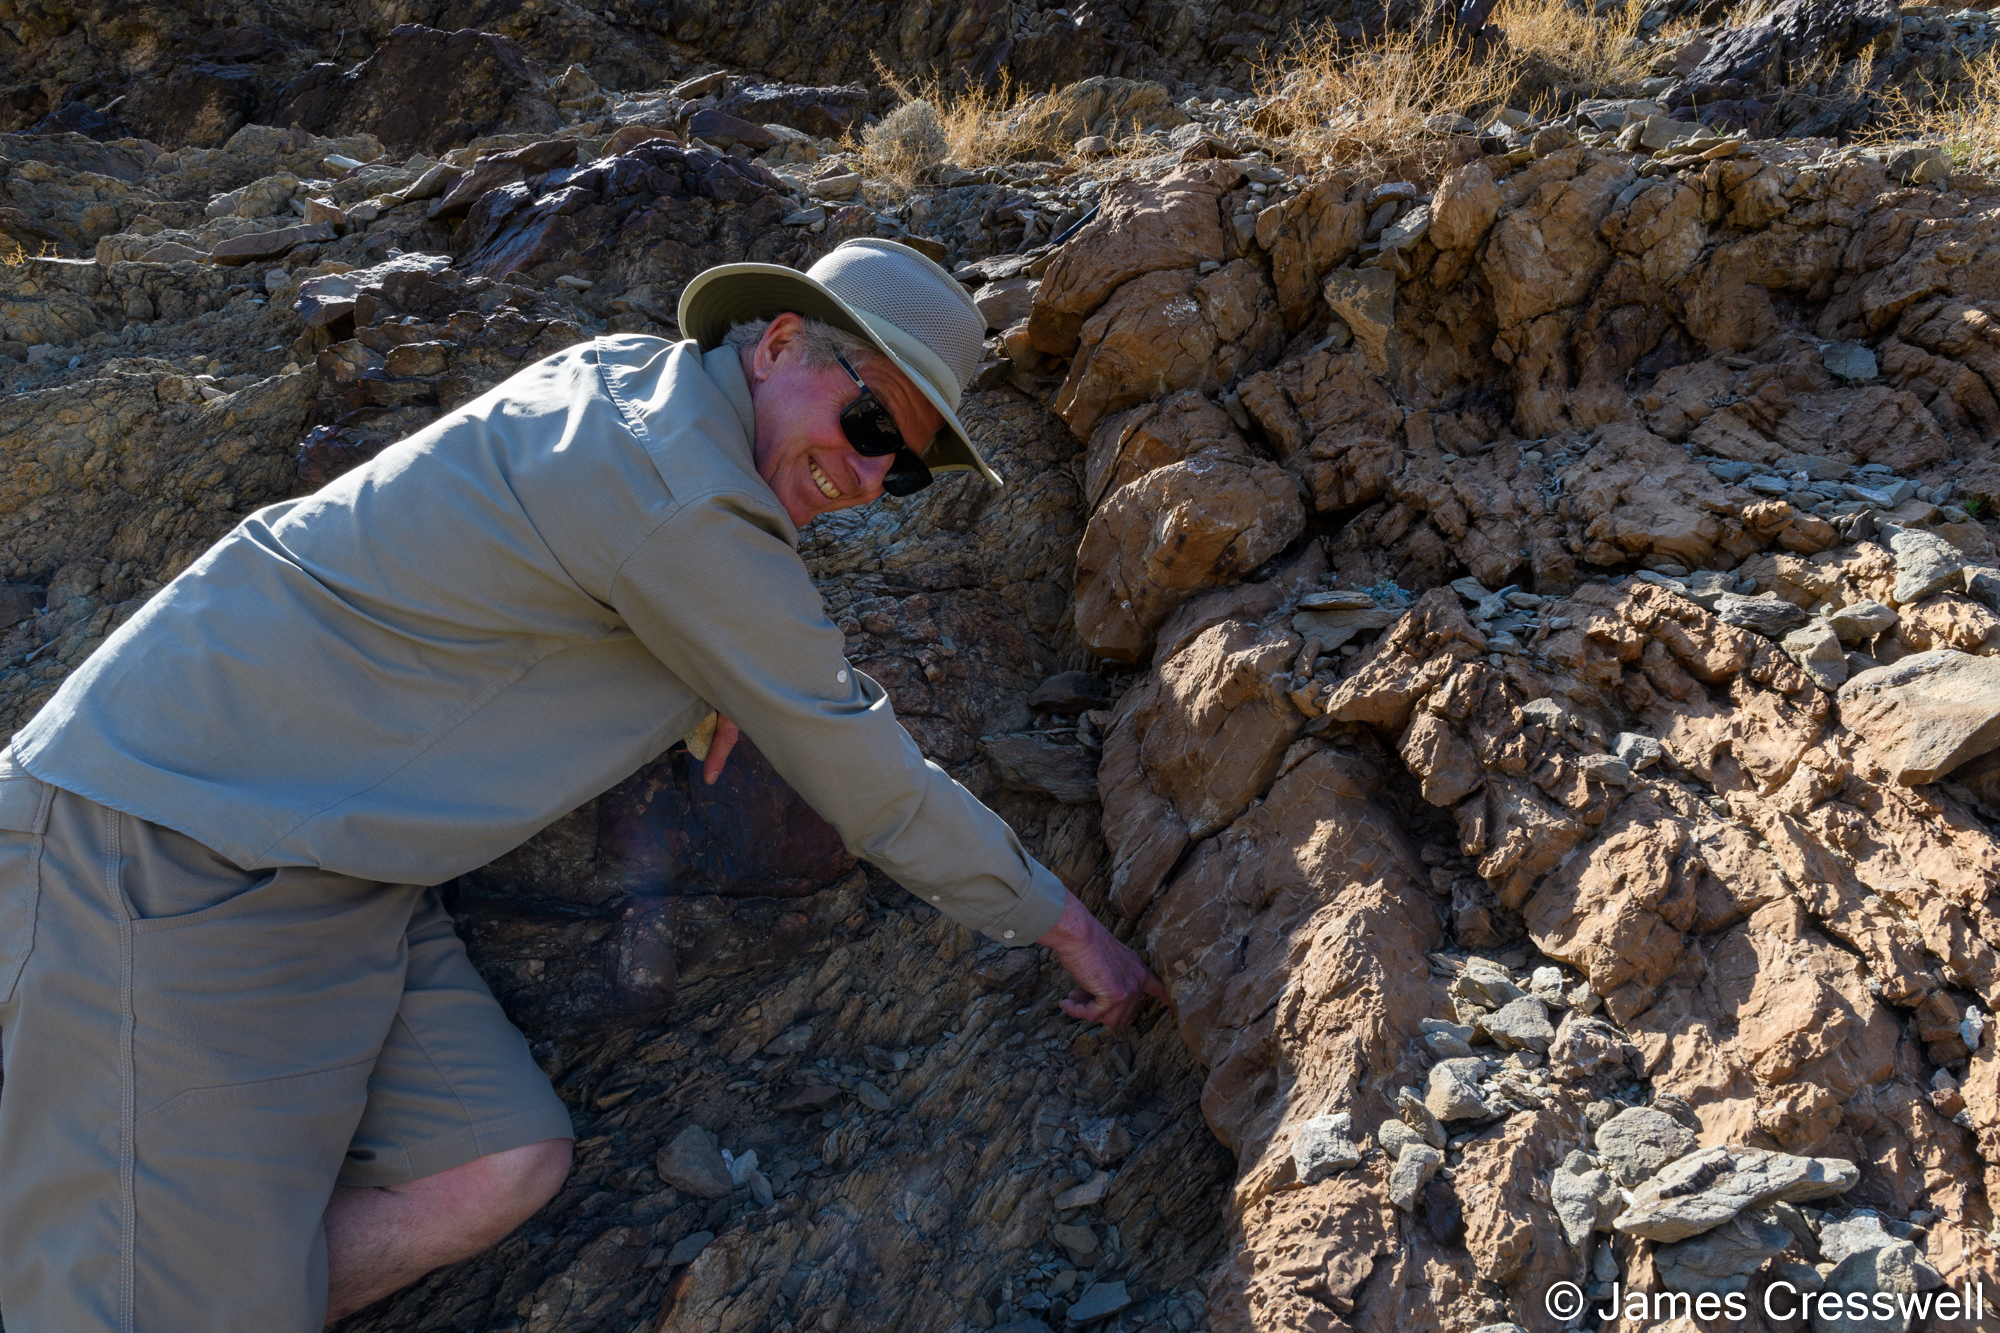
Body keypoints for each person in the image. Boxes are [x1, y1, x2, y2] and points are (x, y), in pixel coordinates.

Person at [0, 238, 1166, 1331]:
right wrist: (1065, 925)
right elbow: (866, 771)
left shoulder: (630, 384)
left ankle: (176, 1267)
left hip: (336, 873)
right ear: (772, 343)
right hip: (157, 846)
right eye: (864, 418)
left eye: (900, 466)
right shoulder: (687, 502)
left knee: (490, 1162)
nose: (865, 474)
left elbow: (587, 570)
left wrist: (699, 675)